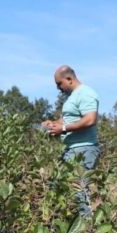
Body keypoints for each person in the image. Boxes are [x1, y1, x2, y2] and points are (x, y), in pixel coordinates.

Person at [41, 65, 100, 216]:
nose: (58, 88)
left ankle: (88, 230)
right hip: (71, 149)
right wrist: (53, 125)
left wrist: (64, 129)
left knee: (79, 191)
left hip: (84, 149)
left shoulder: (86, 93)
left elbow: (90, 119)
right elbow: (66, 120)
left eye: (59, 83)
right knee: (57, 186)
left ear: (69, 79)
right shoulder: (70, 97)